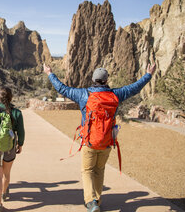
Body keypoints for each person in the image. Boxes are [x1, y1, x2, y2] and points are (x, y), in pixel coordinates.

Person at [43, 62, 156, 212]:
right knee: (99, 170)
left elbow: (62, 88)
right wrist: (148, 75)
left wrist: (50, 73)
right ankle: (97, 200)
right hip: (107, 142)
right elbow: (134, 88)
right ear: (106, 80)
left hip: (89, 142)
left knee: (87, 171)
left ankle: (91, 202)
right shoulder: (116, 94)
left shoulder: (84, 94)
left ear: (93, 80)